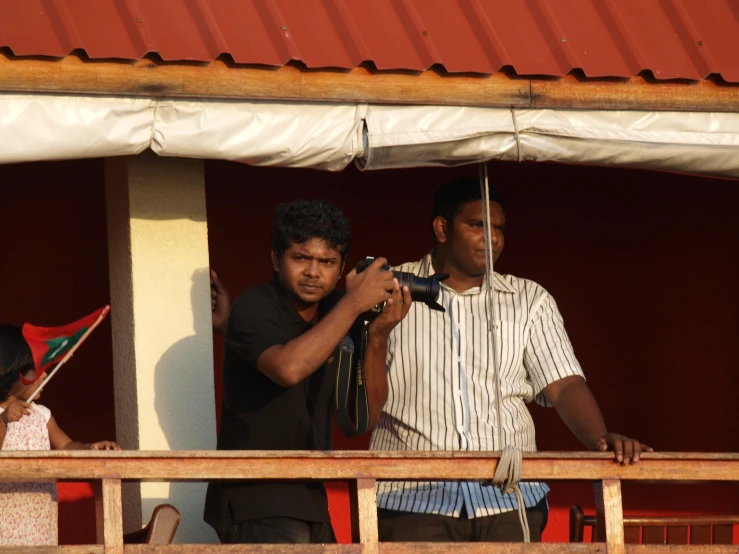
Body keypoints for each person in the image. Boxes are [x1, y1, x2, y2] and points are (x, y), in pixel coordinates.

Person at [370, 178, 651, 543]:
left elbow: (564, 384)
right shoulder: (389, 289)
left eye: (500, 228)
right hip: (411, 502)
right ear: (441, 228)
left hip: (509, 499)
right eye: (478, 225)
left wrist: (600, 438)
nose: (494, 239)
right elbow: (361, 401)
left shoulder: (529, 298)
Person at [204, 199, 411, 545]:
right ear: (275, 259)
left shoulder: (337, 311)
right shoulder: (254, 306)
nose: (314, 272)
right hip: (255, 496)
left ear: (341, 266)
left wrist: (377, 336)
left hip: (311, 496)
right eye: (301, 258)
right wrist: (353, 303)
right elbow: (288, 368)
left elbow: (364, 416)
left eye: (327, 262)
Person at [0, 324, 120, 546]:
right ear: (10, 372)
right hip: (5, 513)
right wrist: (4, 419)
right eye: (36, 369)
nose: (44, 374)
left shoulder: (41, 414)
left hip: (40, 512)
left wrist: (88, 448)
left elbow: (65, 445)